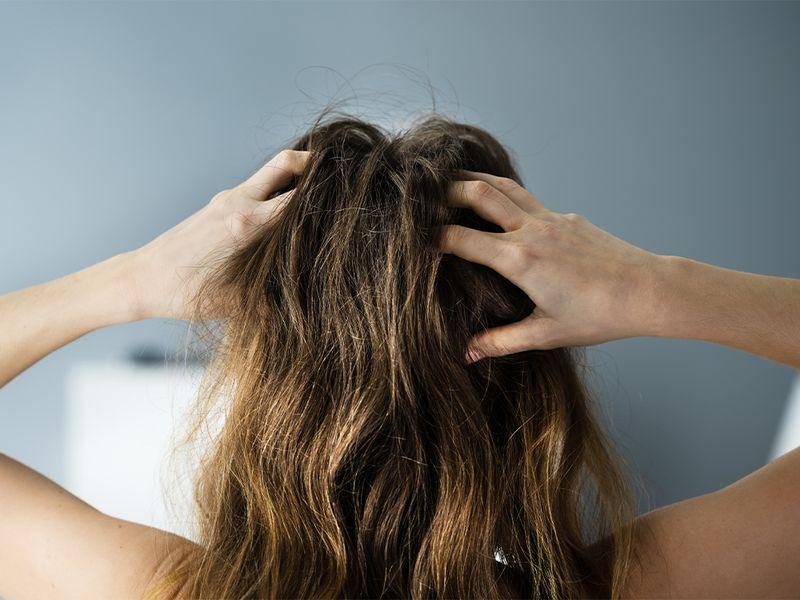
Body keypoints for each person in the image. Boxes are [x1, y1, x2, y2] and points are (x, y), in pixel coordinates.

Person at [0, 112, 798, 600]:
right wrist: (654, 287)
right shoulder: (643, 588)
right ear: (531, 390)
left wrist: (129, 282)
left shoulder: (159, 591)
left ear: (271, 389)